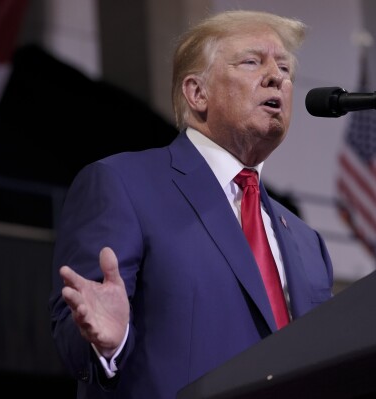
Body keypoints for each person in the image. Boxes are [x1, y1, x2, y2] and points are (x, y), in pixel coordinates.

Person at [48, 9, 335, 399]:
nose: (277, 77)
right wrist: (107, 345)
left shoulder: (307, 242)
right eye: (252, 61)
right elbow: (73, 334)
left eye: (284, 68)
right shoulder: (124, 185)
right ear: (197, 93)